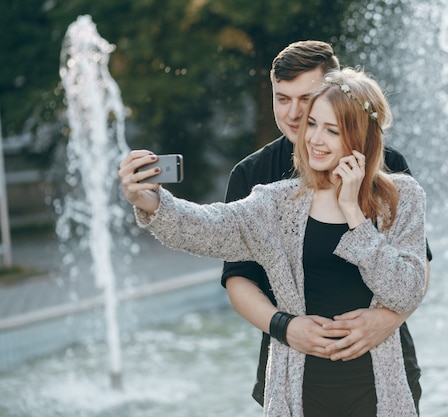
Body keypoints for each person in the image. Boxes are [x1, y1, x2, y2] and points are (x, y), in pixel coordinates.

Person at [119, 68, 427, 416]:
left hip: (377, 393)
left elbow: (406, 291)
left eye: (331, 130)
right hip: (300, 392)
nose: (314, 139)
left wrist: (353, 214)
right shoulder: (278, 203)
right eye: (312, 124)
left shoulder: (403, 197)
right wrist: (153, 202)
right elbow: (207, 228)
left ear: (359, 138)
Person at [222, 40, 432, 413]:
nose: (293, 112)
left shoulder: (386, 165)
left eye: (306, 99)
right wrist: (286, 327)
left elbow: (417, 269)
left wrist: (385, 321)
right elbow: (239, 280)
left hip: (382, 370)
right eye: (281, 98)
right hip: (292, 369)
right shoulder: (251, 174)